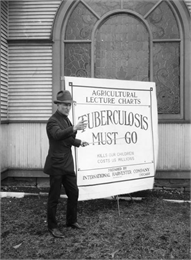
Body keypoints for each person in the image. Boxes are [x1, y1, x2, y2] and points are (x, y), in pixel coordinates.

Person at [43, 90, 88, 238]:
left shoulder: (66, 120)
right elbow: (57, 135)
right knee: (54, 198)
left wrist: (79, 142)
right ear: (58, 105)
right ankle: (52, 226)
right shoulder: (52, 121)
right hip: (56, 165)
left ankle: (71, 221)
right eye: (64, 105)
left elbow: (66, 139)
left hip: (67, 164)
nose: (67, 108)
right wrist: (74, 128)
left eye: (69, 105)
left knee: (74, 192)